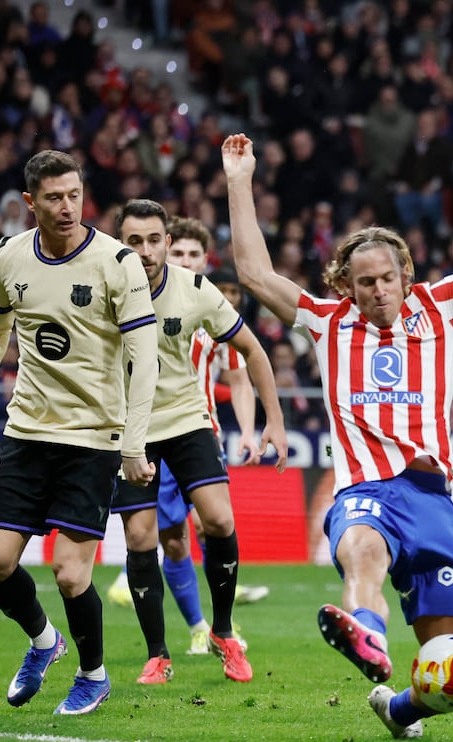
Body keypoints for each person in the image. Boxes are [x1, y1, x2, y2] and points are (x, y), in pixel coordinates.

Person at [222, 132, 453, 738]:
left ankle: (399, 709)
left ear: (404, 274)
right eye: (365, 283)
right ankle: (367, 631)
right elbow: (254, 273)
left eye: (386, 278)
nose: (378, 291)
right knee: (362, 548)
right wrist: (239, 181)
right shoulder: (327, 321)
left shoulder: (444, 305)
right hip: (366, 489)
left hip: (433, 499)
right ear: (347, 287)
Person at [0, 149, 159, 715]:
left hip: (93, 438)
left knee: (71, 573)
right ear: (30, 203)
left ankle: (93, 676)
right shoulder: (9, 257)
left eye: (74, 195)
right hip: (26, 433)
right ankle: (45, 643)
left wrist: (134, 443)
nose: (67, 207)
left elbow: (145, 358)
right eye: (53, 198)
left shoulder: (116, 263)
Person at [110, 198, 288, 685]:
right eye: (133, 241)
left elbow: (250, 349)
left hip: (189, 421)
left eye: (153, 240)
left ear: (166, 243)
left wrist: (273, 420)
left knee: (219, 519)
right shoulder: (104, 290)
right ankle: (157, 654)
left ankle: (224, 633)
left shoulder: (196, 289)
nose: (144, 251)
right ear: (118, 245)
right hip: (132, 431)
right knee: (144, 538)